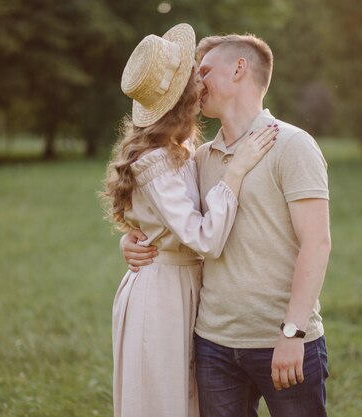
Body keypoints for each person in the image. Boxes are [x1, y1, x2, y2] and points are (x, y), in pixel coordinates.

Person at [122, 33, 332, 417]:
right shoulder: (200, 157)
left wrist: (292, 333)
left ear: (239, 69)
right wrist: (132, 240)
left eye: (204, 71)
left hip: (281, 339)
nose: (196, 84)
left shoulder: (292, 144)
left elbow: (317, 244)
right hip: (213, 345)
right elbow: (180, 224)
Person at [102, 24, 278, 417]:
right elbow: (203, 236)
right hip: (162, 293)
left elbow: (162, 222)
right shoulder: (154, 161)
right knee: (163, 398)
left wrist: (135, 238)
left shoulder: (181, 149)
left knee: (190, 399)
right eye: (194, 75)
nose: (202, 78)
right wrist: (236, 172)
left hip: (187, 287)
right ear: (182, 96)